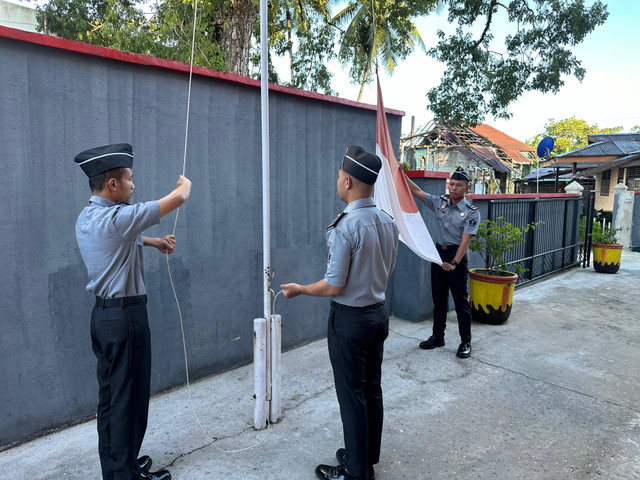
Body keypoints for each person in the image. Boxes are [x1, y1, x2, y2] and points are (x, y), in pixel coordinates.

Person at [75, 143, 192, 480]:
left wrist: (154, 242)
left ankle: (116, 466)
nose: (133, 185)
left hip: (103, 318)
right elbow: (179, 198)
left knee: (111, 399)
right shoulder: (119, 218)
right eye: (129, 179)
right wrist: (184, 185)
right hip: (126, 318)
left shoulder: (89, 216)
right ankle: (125, 473)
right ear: (113, 185)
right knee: (131, 400)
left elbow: (121, 238)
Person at [281, 145, 399, 480]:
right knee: (371, 389)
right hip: (377, 315)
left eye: (338, 176)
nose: (337, 181)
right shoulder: (387, 222)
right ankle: (366, 457)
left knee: (352, 397)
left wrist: (300, 289)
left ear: (347, 181)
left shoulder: (347, 226)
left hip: (350, 321)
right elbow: (387, 272)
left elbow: (334, 285)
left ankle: (356, 472)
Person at [405, 167, 480, 358]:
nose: (454, 188)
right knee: (439, 299)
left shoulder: (471, 212)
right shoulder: (440, 203)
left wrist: (454, 262)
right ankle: (438, 337)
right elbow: (417, 191)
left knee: (460, 301)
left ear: (466, 188)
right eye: (452, 184)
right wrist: (400, 174)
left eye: (459, 186)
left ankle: (465, 342)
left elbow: (465, 241)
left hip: (457, 255)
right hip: (438, 254)